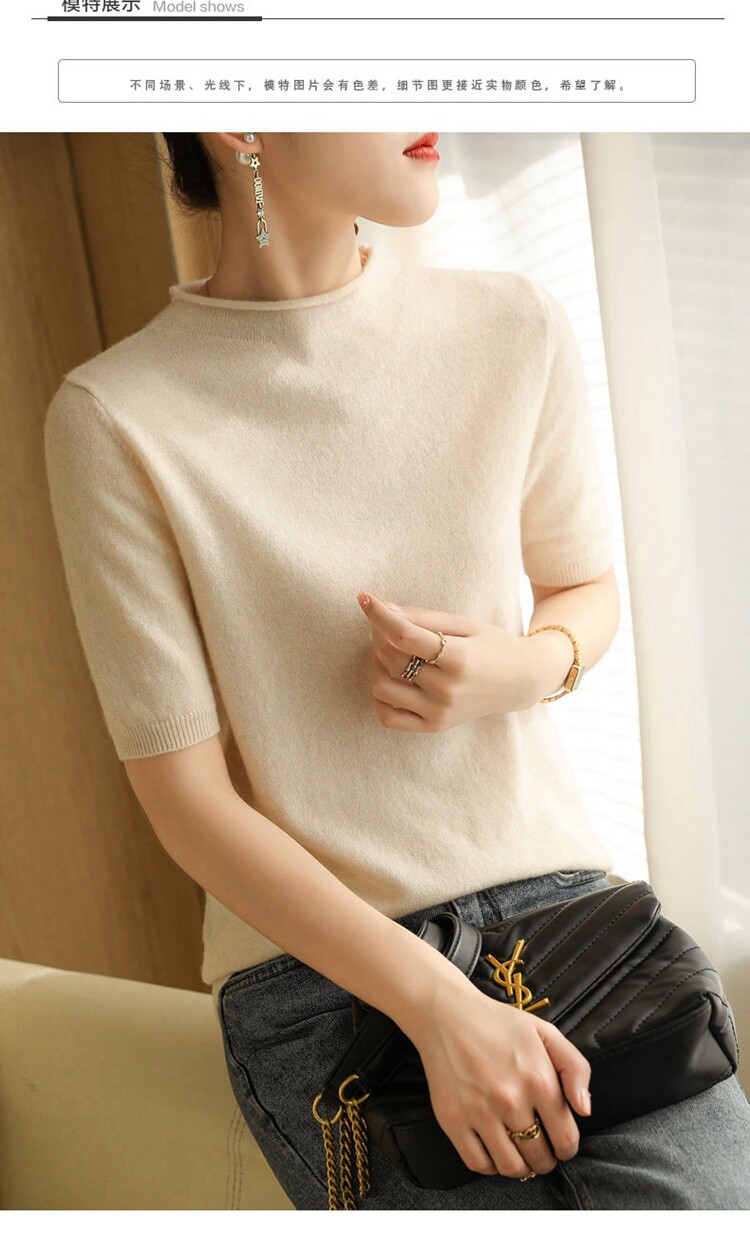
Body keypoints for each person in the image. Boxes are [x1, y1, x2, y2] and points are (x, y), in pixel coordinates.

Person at [43, 132, 750, 1210]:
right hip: (324, 980)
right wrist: (439, 1005)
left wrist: (522, 668)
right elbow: (187, 801)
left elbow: (583, 588)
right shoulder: (115, 417)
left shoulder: (512, 326)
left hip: (572, 924)